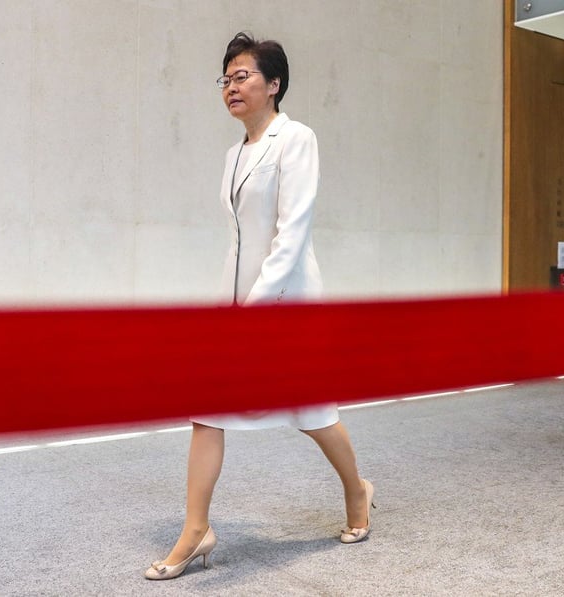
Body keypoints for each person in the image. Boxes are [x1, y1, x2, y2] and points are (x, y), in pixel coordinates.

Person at [144, 32, 374, 581]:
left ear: (274, 84)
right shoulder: (234, 153)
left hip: (286, 302)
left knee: (313, 413)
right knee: (207, 407)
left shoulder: (297, 139)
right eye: (225, 78)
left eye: (242, 75)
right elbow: (239, 240)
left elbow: (290, 234)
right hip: (237, 302)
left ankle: (357, 490)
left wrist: (257, 310)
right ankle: (196, 528)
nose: (231, 86)